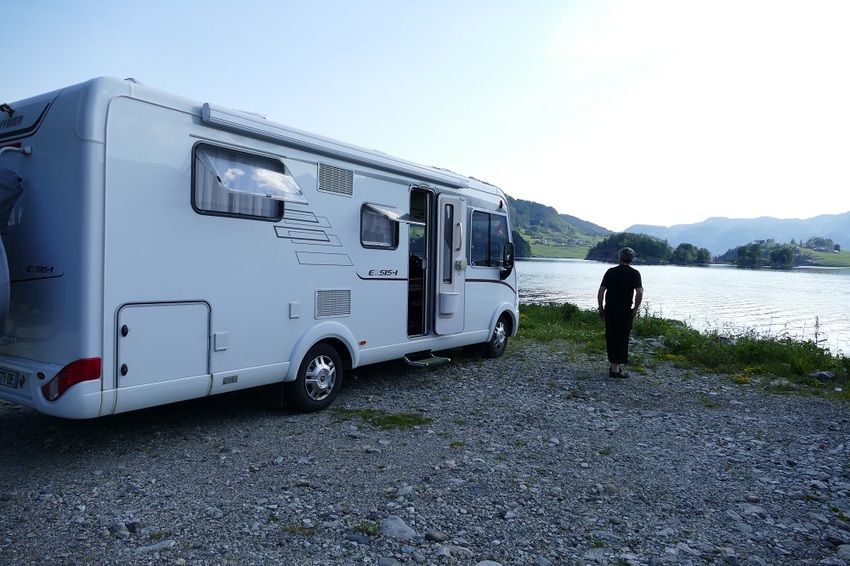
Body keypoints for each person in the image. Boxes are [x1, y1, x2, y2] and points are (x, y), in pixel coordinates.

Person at [597, 247, 643, 378]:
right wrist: (635, 309)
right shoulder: (635, 273)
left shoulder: (610, 272)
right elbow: (639, 292)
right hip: (624, 310)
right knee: (621, 338)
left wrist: (601, 307)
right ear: (631, 259)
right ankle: (615, 370)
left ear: (619, 258)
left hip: (610, 309)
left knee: (611, 336)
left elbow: (601, 291)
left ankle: (614, 366)